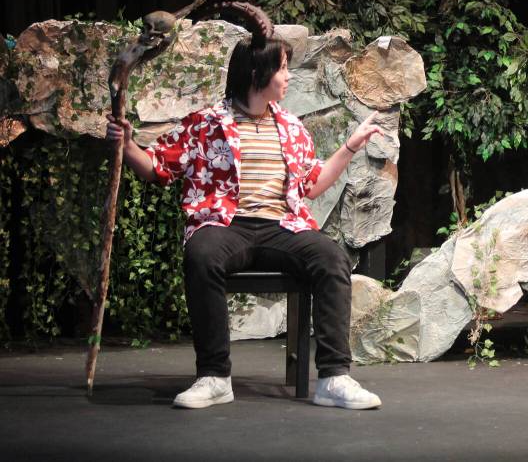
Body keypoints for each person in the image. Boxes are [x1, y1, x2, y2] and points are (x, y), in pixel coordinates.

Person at [106, 36, 385, 409]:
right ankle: (215, 376)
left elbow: (312, 185)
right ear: (258, 72)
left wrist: (350, 146)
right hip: (225, 225)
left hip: (280, 227)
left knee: (331, 258)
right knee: (202, 255)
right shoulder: (206, 123)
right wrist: (126, 146)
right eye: (283, 67)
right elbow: (158, 168)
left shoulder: (290, 128)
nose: (287, 76)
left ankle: (334, 378)